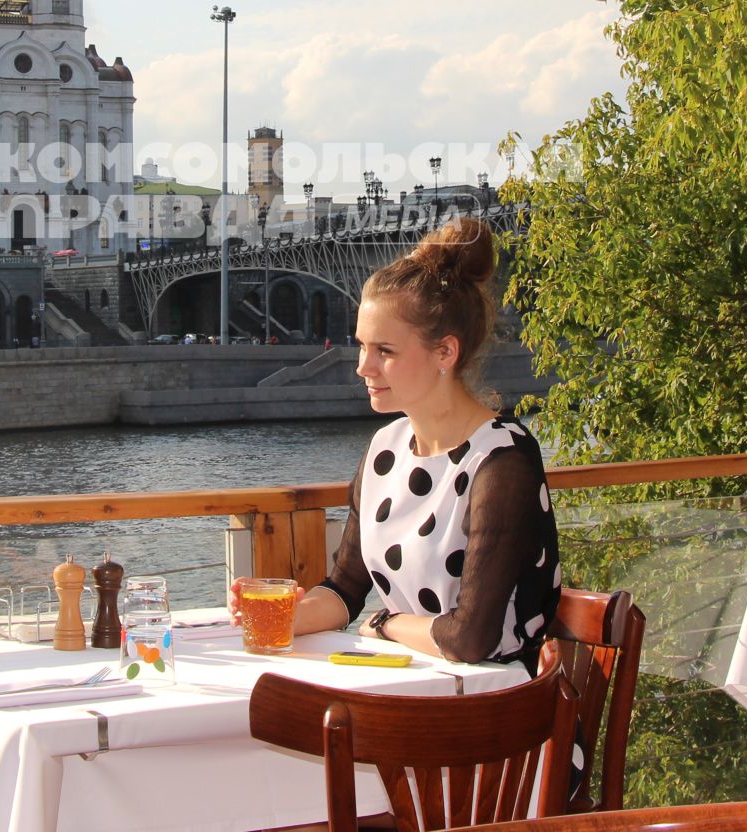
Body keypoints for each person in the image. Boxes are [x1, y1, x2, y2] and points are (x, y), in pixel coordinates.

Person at [230, 217, 560, 669]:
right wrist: (282, 616)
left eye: (385, 351)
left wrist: (386, 623)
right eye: (361, 345)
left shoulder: (502, 460)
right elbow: (344, 591)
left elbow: (470, 639)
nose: (363, 367)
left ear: (445, 352)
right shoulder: (385, 452)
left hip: (496, 711)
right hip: (410, 692)